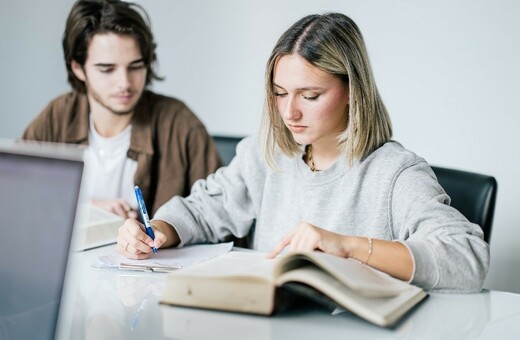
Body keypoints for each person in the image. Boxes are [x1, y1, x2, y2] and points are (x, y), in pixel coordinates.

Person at [118, 13, 489, 292]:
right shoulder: (267, 156)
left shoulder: (395, 173)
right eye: (280, 93)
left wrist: (346, 246)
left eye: (310, 96)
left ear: (352, 91)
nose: (289, 112)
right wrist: (157, 231)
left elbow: (467, 258)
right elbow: (201, 210)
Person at [22, 0, 221, 217]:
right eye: (107, 69)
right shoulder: (58, 116)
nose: (125, 83)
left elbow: (221, 214)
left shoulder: (179, 123)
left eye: (135, 67)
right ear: (78, 68)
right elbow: (15, 197)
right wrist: (88, 210)